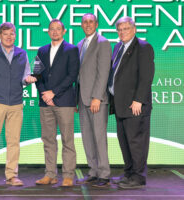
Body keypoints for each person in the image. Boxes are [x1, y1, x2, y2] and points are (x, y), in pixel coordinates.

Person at [0, 22, 36, 187]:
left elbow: (24, 78)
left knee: (13, 141)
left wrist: (28, 80)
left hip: (16, 104)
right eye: (5, 34)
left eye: (12, 34)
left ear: (15, 35)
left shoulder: (22, 53)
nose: (9, 37)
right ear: (0, 36)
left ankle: (12, 175)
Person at [108, 16, 155, 189]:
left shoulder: (143, 47)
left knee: (137, 143)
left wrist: (139, 100)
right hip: (120, 105)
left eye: (126, 29)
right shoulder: (119, 47)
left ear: (134, 29)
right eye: (119, 29)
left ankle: (138, 177)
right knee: (125, 142)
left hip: (135, 106)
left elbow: (146, 76)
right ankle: (129, 173)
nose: (122, 32)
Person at [35, 19, 80, 187]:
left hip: (65, 101)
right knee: (48, 140)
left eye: (58, 29)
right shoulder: (42, 50)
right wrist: (45, 94)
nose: (54, 32)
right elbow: (37, 75)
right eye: (51, 29)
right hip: (45, 103)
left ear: (64, 31)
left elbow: (72, 75)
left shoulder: (72, 49)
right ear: (48, 32)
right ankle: (50, 174)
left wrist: (54, 92)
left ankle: (68, 175)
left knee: (67, 140)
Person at [76, 13, 111, 187]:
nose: (88, 24)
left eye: (91, 22)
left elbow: (104, 72)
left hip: (96, 100)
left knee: (98, 137)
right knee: (87, 137)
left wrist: (97, 96)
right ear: (81, 25)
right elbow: (80, 75)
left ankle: (104, 173)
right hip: (82, 100)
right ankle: (93, 171)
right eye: (85, 22)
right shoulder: (80, 44)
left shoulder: (103, 43)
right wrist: (77, 100)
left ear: (96, 24)